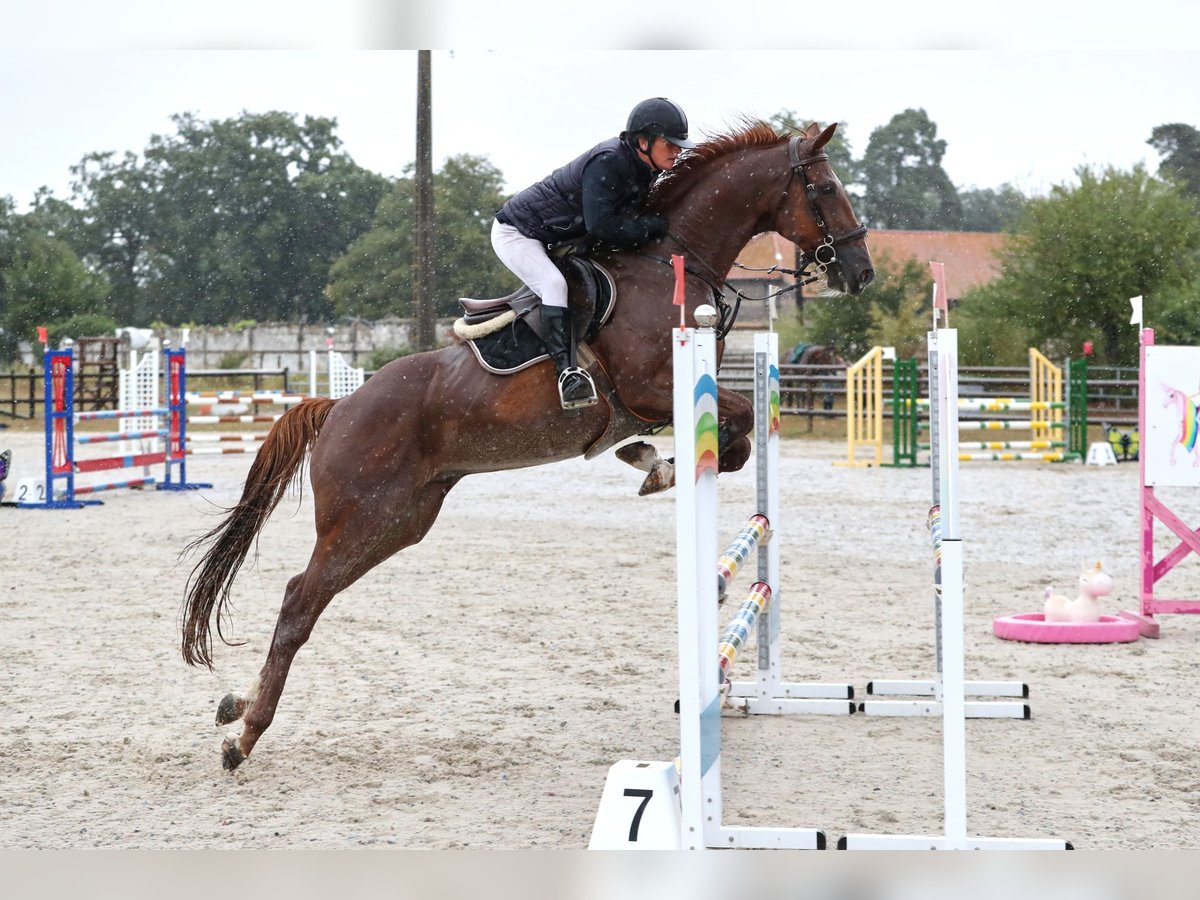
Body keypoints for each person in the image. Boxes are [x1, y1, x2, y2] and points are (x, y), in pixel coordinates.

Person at [492, 97, 696, 409]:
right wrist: (650, 227)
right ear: (643, 141)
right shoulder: (609, 160)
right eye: (669, 143)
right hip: (519, 233)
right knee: (553, 285)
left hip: (562, 238)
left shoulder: (646, 167)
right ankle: (567, 376)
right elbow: (602, 226)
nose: (677, 150)